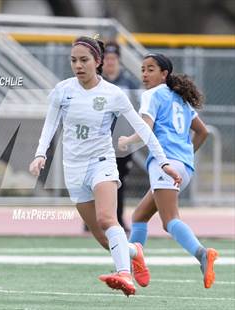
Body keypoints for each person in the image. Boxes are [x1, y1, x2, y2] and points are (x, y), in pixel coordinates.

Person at [29, 36, 182, 296]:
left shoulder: (113, 94)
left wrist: (164, 162)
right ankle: (134, 251)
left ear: (98, 62)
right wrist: (40, 154)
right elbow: (50, 125)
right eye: (74, 60)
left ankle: (124, 274)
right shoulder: (63, 91)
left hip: (101, 163)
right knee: (101, 237)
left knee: (106, 219)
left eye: (84, 60)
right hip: (73, 169)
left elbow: (142, 129)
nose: (78, 65)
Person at [118, 53, 217, 289]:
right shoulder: (179, 98)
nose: (144, 74)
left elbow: (145, 132)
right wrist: (185, 156)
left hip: (165, 165)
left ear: (165, 74)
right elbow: (203, 132)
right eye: (142, 69)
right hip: (183, 168)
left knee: (169, 220)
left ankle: (202, 253)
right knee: (139, 216)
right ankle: (132, 266)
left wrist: (125, 140)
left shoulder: (151, 95)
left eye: (150, 69)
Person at [102, 41, 140, 232]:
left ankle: (117, 218)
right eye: (106, 58)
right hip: (99, 141)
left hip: (121, 142)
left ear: (118, 60)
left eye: (113, 58)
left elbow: (136, 110)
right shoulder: (97, 81)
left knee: (119, 181)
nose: (109, 62)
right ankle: (93, 219)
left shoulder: (128, 83)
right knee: (96, 181)